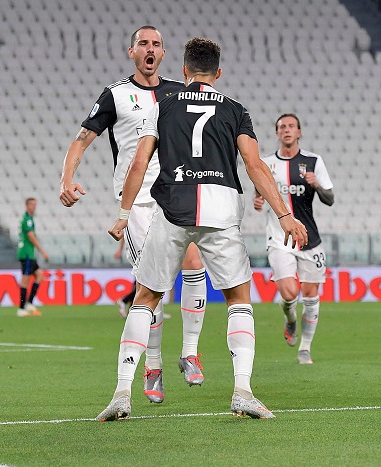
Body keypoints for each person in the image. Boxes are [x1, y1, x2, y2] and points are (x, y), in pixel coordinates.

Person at [96, 37, 308, 421]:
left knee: (144, 298)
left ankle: (122, 393)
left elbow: (139, 163)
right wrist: (284, 215)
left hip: (173, 207)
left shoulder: (162, 106)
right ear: (219, 73)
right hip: (221, 211)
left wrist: (125, 213)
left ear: (183, 71)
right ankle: (242, 389)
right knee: (239, 300)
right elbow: (256, 166)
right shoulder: (235, 109)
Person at [60, 25, 207, 403]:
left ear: (164, 53)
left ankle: (190, 352)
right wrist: (67, 178)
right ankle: (152, 366)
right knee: (151, 289)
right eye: (143, 43)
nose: (150, 49)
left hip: (176, 193)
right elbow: (81, 139)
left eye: (157, 44)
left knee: (194, 266)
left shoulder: (179, 91)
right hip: (138, 200)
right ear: (132, 52)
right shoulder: (116, 95)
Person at [254, 113, 334, 364]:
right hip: (279, 238)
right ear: (277, 133)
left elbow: (330, 199)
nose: (287, 130)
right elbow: (259, 192)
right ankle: (290, 320)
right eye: (282, 127)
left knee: (311, 298)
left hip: (310, 239)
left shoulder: (313, 161)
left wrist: (317, 185)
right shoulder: (265, 163)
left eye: (291, 126)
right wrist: (258, 200)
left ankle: (305, 349)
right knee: (289, 293)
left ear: (299, 132)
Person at [17, 197, 49, 317]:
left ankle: (29, 303)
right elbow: (31, 236)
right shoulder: (27, 220)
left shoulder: (29, 218)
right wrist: (42, 251)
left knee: (39, 275)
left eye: (35, 205)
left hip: (30, 254)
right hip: (26, 254)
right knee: (25, 280)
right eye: (31, 205)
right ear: (26, 205)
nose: (34, 207)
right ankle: (21, 309)